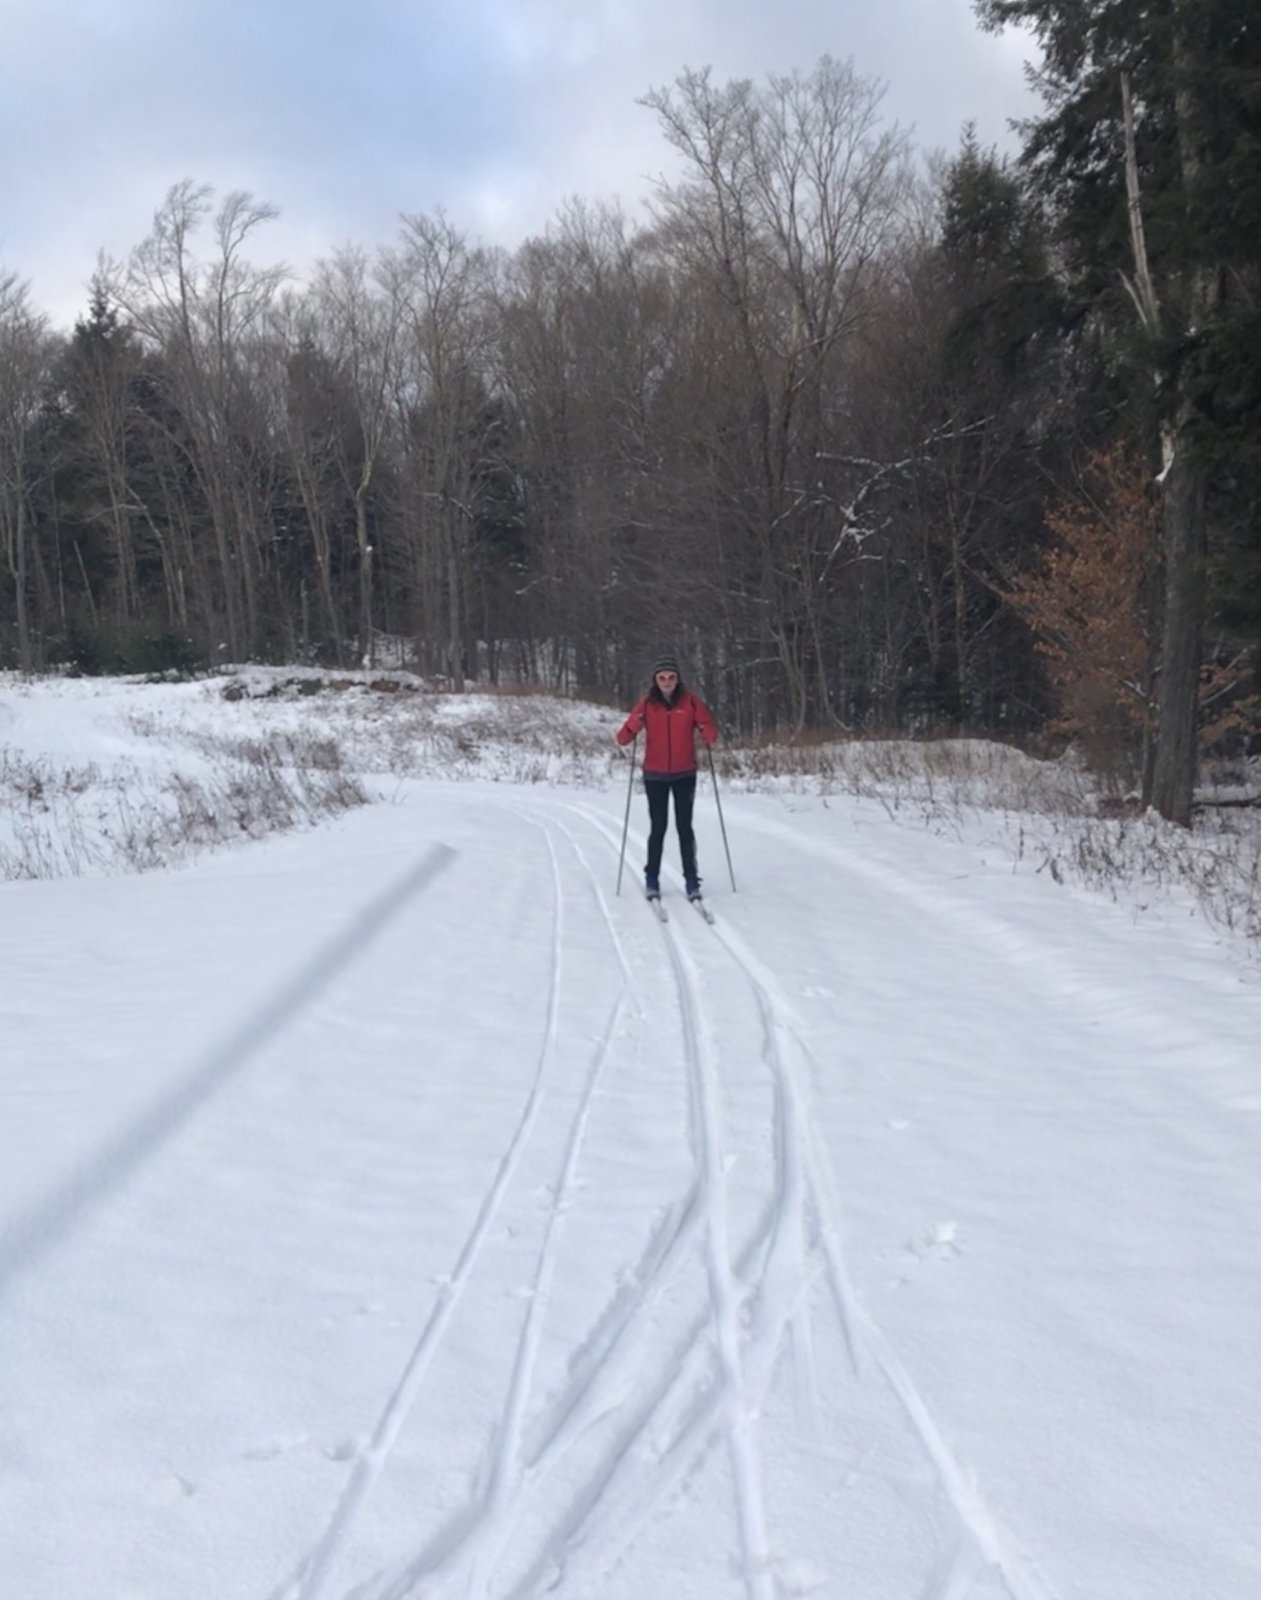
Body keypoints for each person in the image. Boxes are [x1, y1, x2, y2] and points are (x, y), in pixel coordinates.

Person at [615, 655, 719, 901]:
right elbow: (623, 738)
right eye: (662, 678)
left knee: (684, 827)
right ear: (655, 680)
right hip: (655, 775)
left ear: (678, 678)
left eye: (671, 677)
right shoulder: (647, 704)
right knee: (658, 827)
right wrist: (633, 725)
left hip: (685, 773)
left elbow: (710, 730)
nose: (667, 682)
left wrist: (706, 731)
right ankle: (652, 878)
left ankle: (691, 880)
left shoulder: (690, 701)